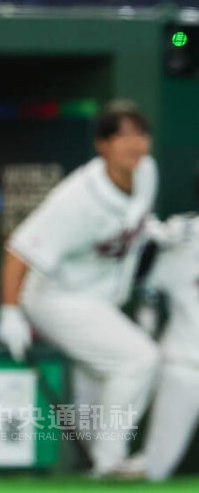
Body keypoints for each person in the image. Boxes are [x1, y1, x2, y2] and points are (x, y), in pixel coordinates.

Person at [0, 100, 159, 477]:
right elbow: (18, 253)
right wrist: (10, 313)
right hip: (55, 298)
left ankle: (89, 464)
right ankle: (109, 459)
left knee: (104, 380)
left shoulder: (147, 171)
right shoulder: (76, 198)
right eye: (123, 136)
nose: (135, 144)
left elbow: (133, 221)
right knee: (139, 359)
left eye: (141, 134)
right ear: (103, 145)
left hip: (98, 296)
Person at [131, 199, 199, 481]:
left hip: (183, 362)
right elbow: (143, 282)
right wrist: (147, 242)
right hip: (185, 364)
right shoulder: (184, 236)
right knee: (154, 468)